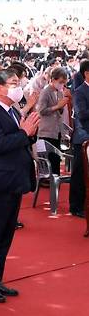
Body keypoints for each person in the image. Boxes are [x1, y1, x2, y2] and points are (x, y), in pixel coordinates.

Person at [0, 70, 39, 303]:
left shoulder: (11, 110)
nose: (18, 86)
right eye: (13, 83)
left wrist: (29, 132)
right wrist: (24, 133)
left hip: (13, 180)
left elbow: (20, 138)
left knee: (5, 233)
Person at [37, 67, 69, 175]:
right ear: (53, 79)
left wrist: (61, 106)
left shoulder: (60, 92)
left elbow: (59, 111)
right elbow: (41, 110)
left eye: (64, 83)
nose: (62, 85)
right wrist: (57, 106)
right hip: (47, 130)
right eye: (60, 82)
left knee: (56, 158)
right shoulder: (45, 92)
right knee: (49, 159)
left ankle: (56, 180)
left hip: (57, 130)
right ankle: (48, 180)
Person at [70, 60, 89, 218]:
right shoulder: (80, 92)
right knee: (80, 174)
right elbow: (81, 114)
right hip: (83, 138)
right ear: (86, 73)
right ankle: (76, 206)